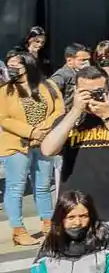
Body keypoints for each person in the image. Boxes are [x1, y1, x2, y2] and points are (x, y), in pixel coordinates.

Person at [41, 64, 109, 273]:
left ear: (107, 91)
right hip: (76, 214)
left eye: (98, 92)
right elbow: (48, 149)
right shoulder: (66, 121)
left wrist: (108, 117)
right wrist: (75, 111)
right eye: (85, 92)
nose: (91, 98)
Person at [0, 50, 63, 247]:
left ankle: (48, 224)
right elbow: (4, 119)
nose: (11, 69)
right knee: (16, 187)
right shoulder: (5, 90)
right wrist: (31, 131)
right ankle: (18, 230)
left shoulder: (48, 85)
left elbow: (59, 110)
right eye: (9, 65)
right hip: (16, 145)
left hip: (44, 142)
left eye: (15, 65)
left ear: (27, 65)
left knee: (43, 186)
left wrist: (44, 129)